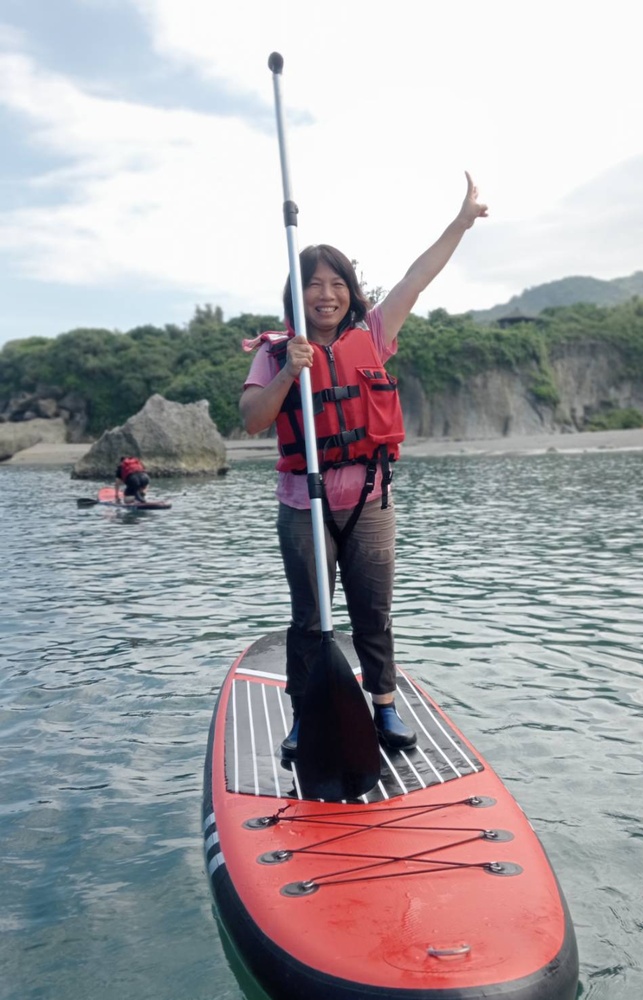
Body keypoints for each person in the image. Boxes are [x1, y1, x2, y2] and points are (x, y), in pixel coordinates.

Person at [240, 171, 488, 761]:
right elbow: (252, 418)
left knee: (373, 614)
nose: (326, 294)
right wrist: (289, 371)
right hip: (304, 505)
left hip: (370, 501)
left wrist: (460, 222)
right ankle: (306, 716)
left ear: (351, 292)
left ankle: (384, 705)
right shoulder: (276, 352)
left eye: (336, 284)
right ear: (297, 295)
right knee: (311, 619)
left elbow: (416, 278)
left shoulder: (373, 335)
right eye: (313, 285)